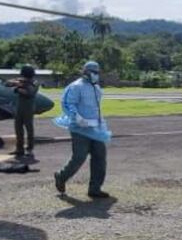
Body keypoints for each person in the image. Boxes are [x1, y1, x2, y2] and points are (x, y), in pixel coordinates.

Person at [53, 61, 110, 199]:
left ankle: (95, 188)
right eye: (94, 72)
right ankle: (61, 176)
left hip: (95, 128)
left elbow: (96, 108)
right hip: (80, 128)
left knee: (100, 157)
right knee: (79, 157)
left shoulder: (96, 88)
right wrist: (77, 117)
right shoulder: (76, 87)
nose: (96, 75)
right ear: (85, 72)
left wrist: (100, 123)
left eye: (97, 72)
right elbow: (68, 103)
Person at [11, 65, 39, 161]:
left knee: (29, 129)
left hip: (28, 109)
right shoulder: (21, 81)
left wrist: (18, 88)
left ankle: (30, 149)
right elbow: (7, 84)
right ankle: (19, 149)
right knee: (18, 129)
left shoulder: (35, 83)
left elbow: (29, 93)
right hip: (20, 108)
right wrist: (16, 83)